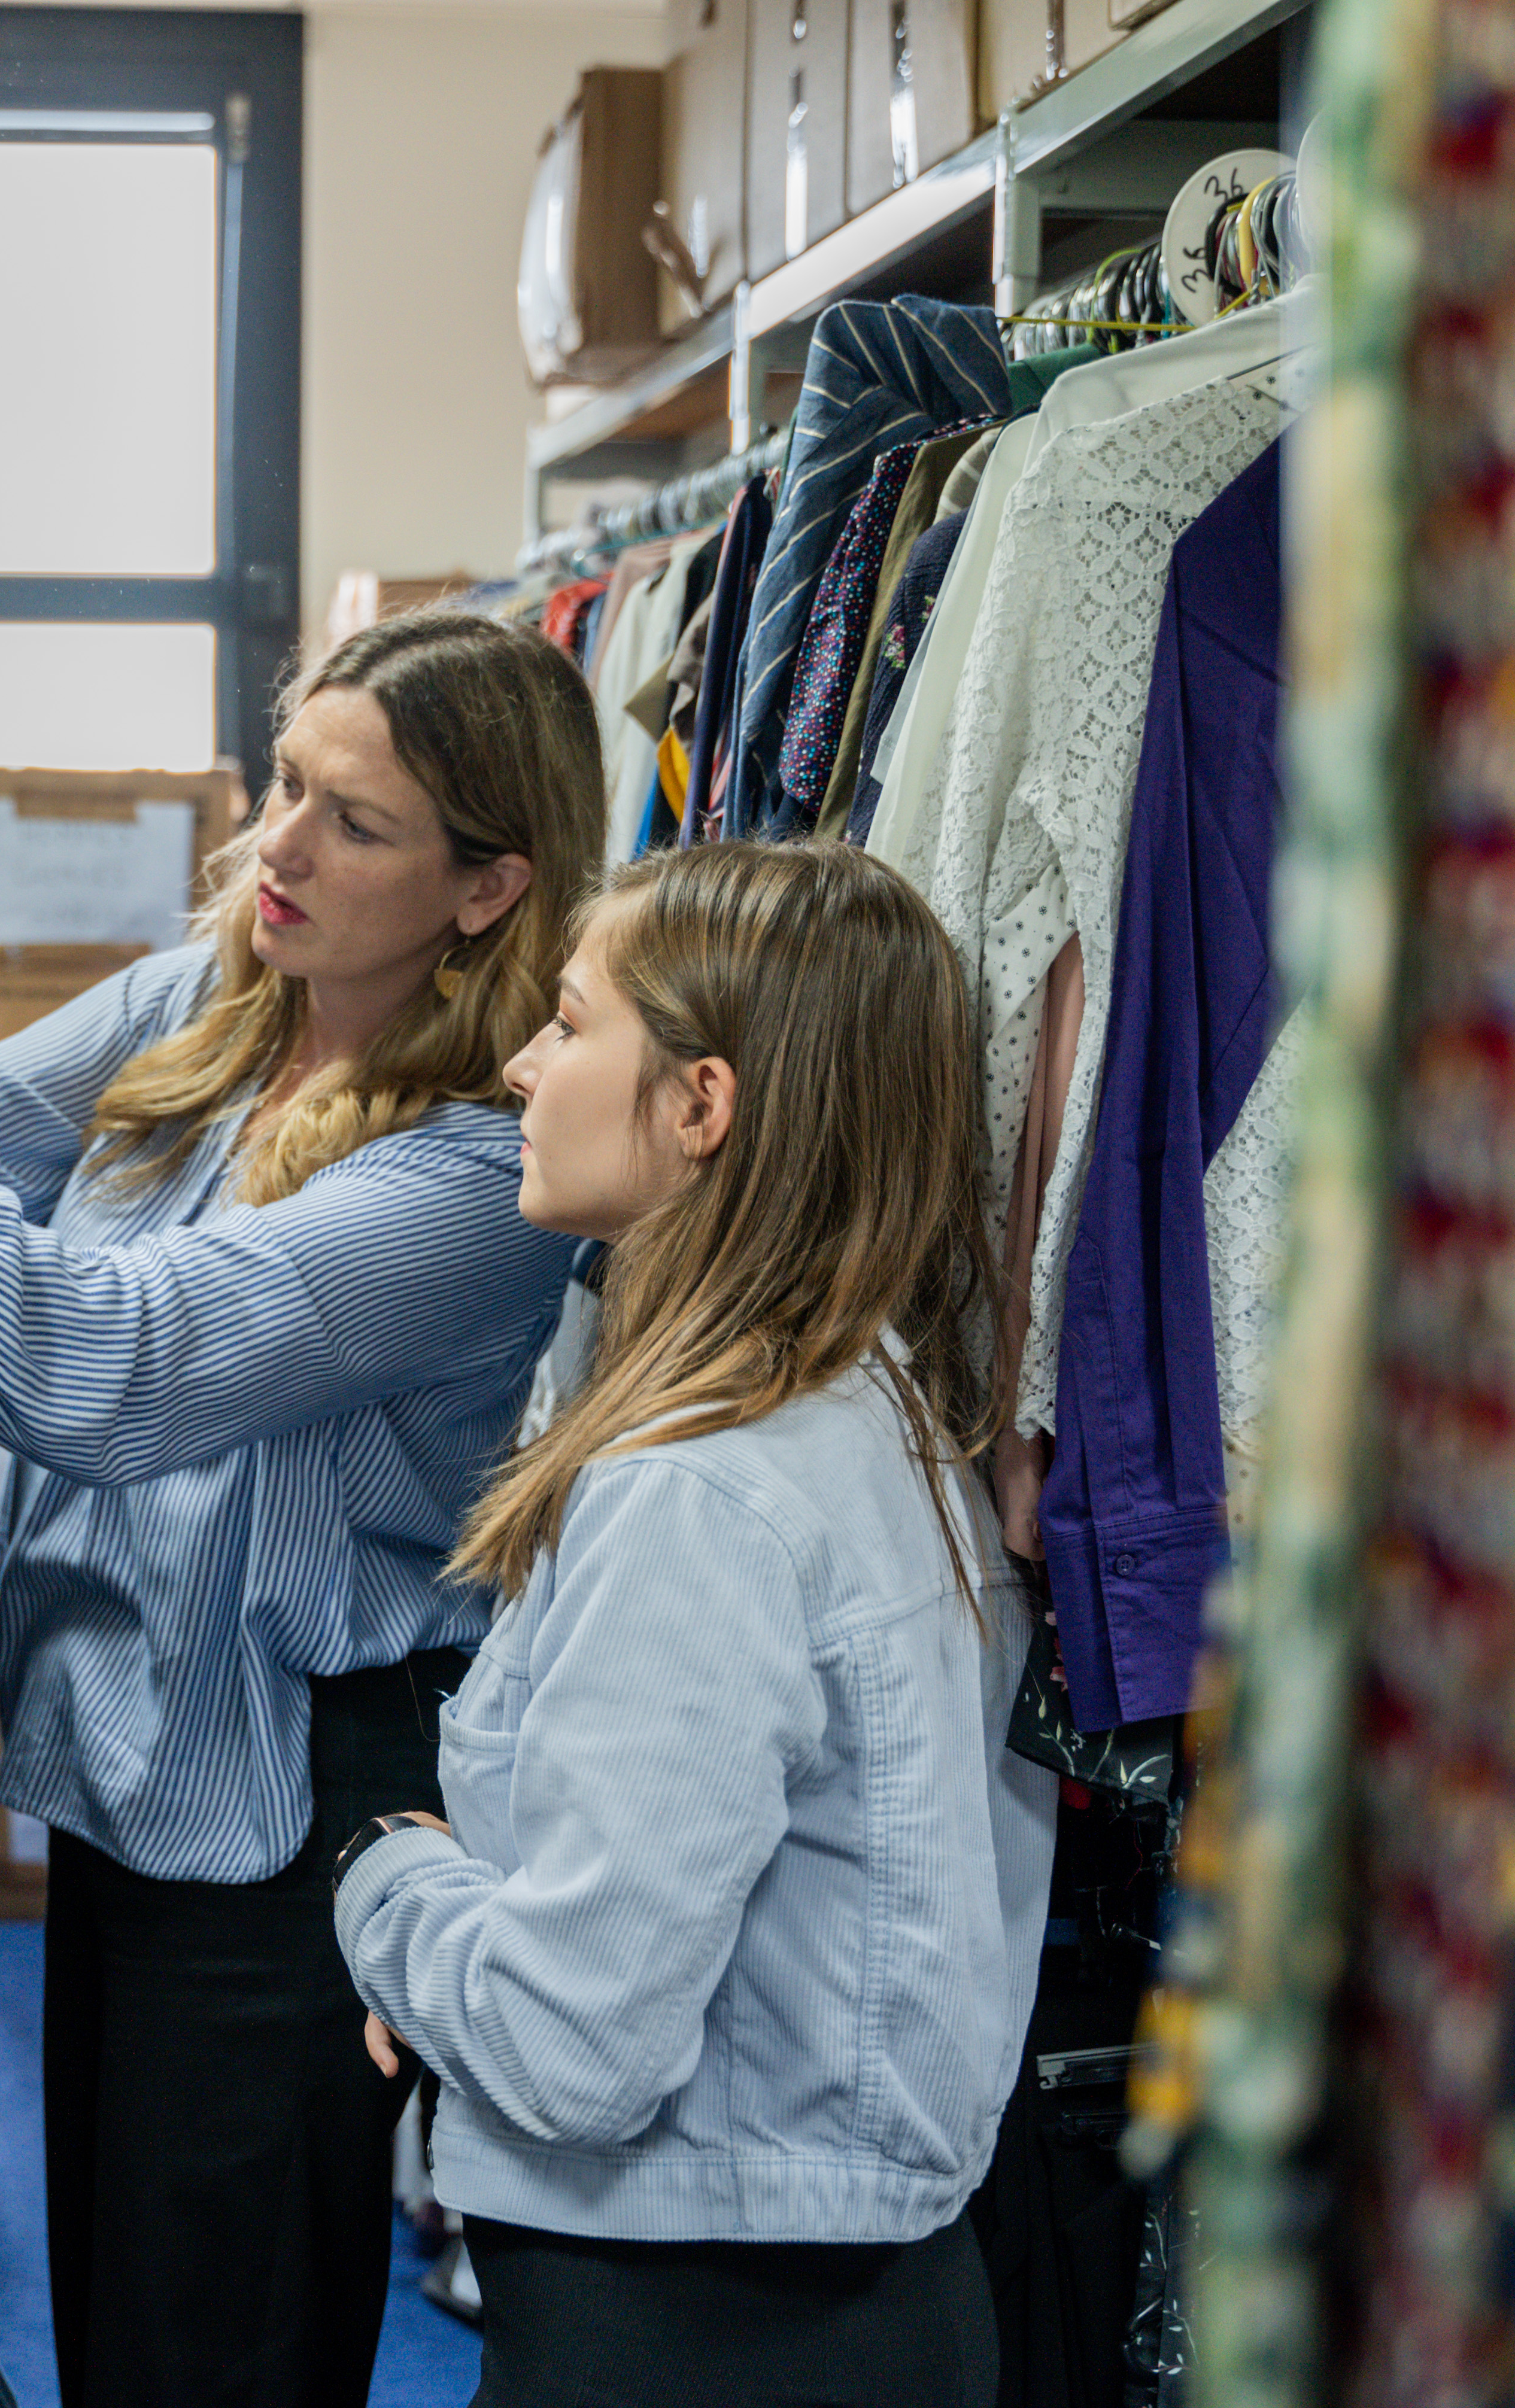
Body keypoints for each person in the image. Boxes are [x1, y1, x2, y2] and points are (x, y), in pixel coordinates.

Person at [0, 612, 605, 2408]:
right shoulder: (213, 999)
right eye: (286, 787)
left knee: (223, 2339)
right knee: (128, 2324)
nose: (281, 848)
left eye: (354, 822)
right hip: (133, 1777)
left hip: (295, 1811)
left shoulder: (486, 1173)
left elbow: (118, 1366)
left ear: (490, 888)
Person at [332, 839, 1056, 2408]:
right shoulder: (870, 1408)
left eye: (574, 1023)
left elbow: (573, 2051)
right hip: (826, 2298)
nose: (524, 1062)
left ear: (701, 1106)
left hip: (702, 2329)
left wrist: (386, 1887)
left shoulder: (703, 1494)